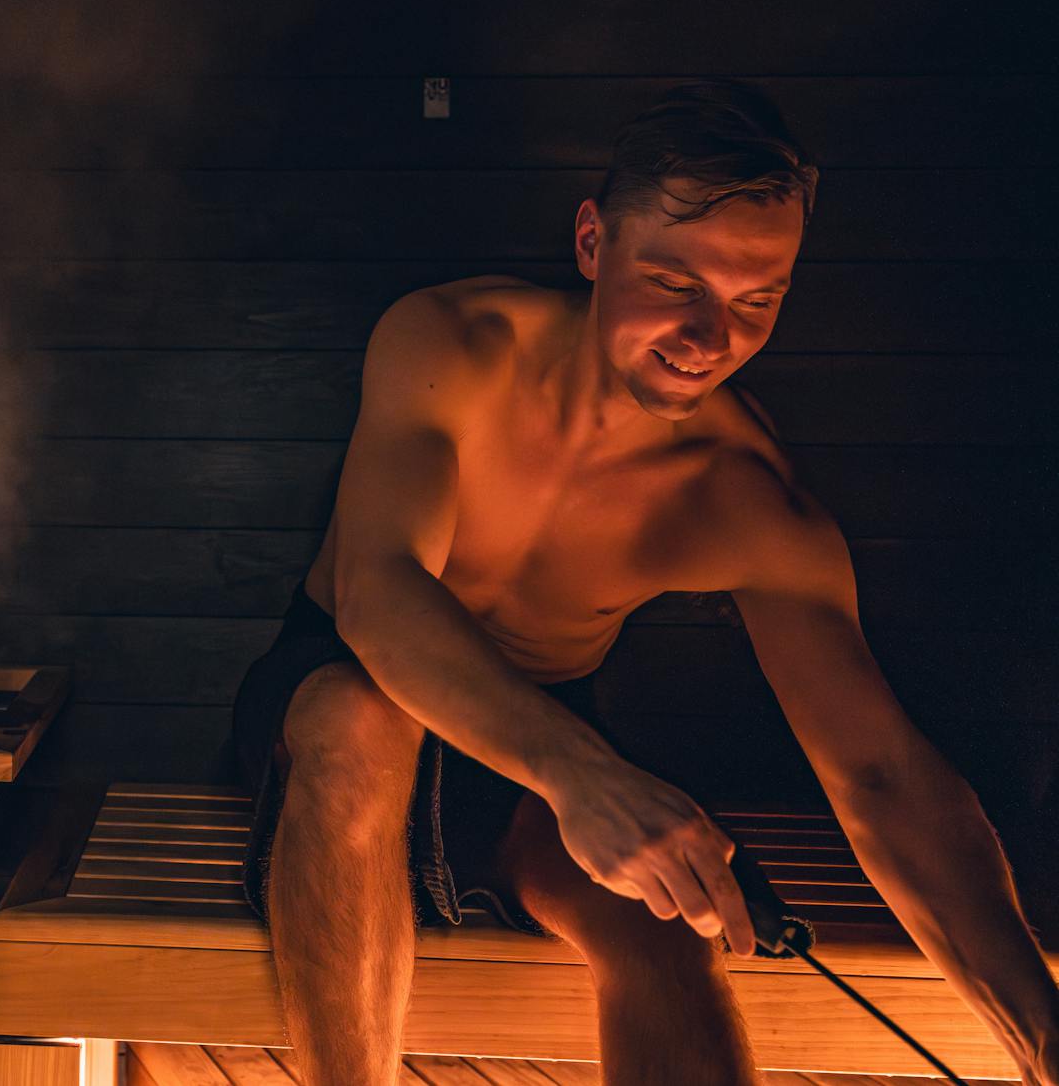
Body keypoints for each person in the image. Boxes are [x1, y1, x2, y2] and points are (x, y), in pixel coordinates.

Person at [230, 80, 1059, 1085]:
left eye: (755, 301)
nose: (709, 338)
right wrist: (584, 773)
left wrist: (1041, 1031)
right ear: (592, 244)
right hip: (335, 700)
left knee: (664, 920)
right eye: (675, 281)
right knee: (359, 715)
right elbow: (377, 593)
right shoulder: (451, 344)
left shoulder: (742, 496)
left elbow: (879, 775)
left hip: (533, 748)